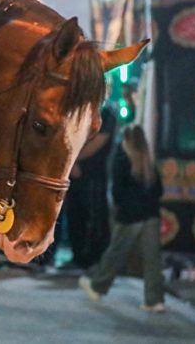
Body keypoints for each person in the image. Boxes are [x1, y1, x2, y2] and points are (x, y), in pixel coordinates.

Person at [80, 124, 166, 311]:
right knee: (152, 260)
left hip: (129, 217)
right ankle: (154, 300)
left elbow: (117, 191)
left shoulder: (121, 158)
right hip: (151, 215)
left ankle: (98, 287)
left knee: (115, 253)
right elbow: (159, 190)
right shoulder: (148, 162)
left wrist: (121, 207)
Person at [63, 102, 115, 269]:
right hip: (75, 174)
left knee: (93, 215)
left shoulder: (106, 114)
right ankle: (78, 256)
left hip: (94, 175)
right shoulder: (78, 110)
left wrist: (74, 160)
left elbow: (98, 142)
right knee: (75, 215)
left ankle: (94, 257)